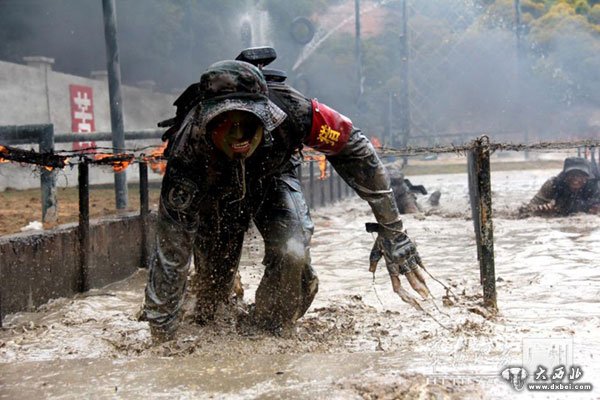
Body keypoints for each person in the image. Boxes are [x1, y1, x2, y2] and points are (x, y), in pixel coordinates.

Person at [142, 58, 430, 341]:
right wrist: (161, 340)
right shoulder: (187, 155)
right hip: (214, 193)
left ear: (266, 115)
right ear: (208, 120)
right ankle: (214, 309)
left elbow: (355, 148)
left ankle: (268, 334)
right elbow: (171, 254)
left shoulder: (294, 111)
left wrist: (393, 232)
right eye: (227, 122)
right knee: (211, 300)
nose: (240, 134)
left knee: (292, 254)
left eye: (249, 121)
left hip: (274, 177)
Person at [518, 157, 600, 217]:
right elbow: (526, 210)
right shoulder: (553, 185)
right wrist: (541, 210)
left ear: (587, 177)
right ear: (565, 175)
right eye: (572, 174)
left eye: (580, 175)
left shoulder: (595, 187)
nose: (576, 179)